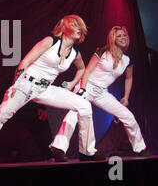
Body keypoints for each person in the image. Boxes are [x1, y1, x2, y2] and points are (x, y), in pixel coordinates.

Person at [0, 15, 104, 166]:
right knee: (2, 114)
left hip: (45, 88)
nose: (79, 28)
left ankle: (87, 152)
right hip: (27, 83)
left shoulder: (75, 54)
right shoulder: (50, 41)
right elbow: (25, 62)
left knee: (84, 106)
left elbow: (82, 69)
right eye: (75, 24)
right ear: (63, 27)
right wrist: (15, 86)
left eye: (80, 26)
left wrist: (71, 84)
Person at [50, 26, 150, 157]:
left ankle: (139, 148)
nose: (123, 38)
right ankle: (59, 147)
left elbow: (129, 78)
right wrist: (83, 89)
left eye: (124, 35)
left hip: (102, 92)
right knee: (74, 113)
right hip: (87, 86)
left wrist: (126, 96)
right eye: (119, 36)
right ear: (113, 39)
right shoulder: (102, 51)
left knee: (127, 116)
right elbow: (88, 70)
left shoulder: (127, 60)